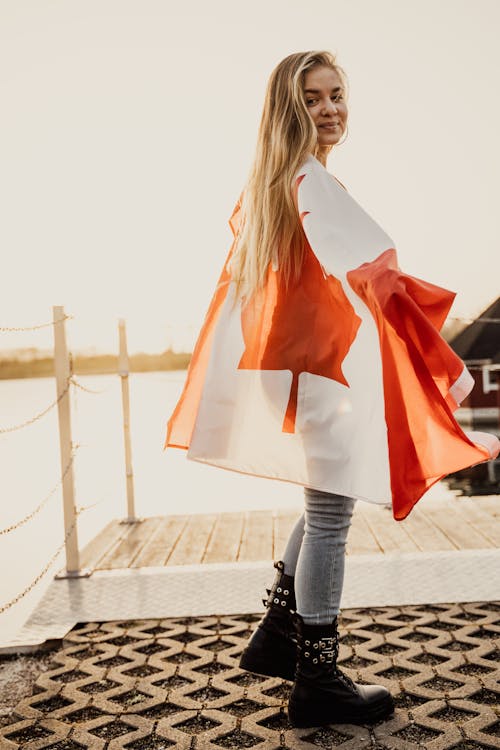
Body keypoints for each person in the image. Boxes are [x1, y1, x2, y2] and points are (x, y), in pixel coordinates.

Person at [164, 50, 499, 728]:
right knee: (331, 519)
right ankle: (316, 677)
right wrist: (443, 362)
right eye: (313, 98)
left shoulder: (277, 181)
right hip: (318, 372)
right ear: (289, 109)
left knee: (325, 507)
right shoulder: (310, 181)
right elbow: (377, 278)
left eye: (337, 94)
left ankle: (279, 633)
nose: (330, 109)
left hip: (300, 369)